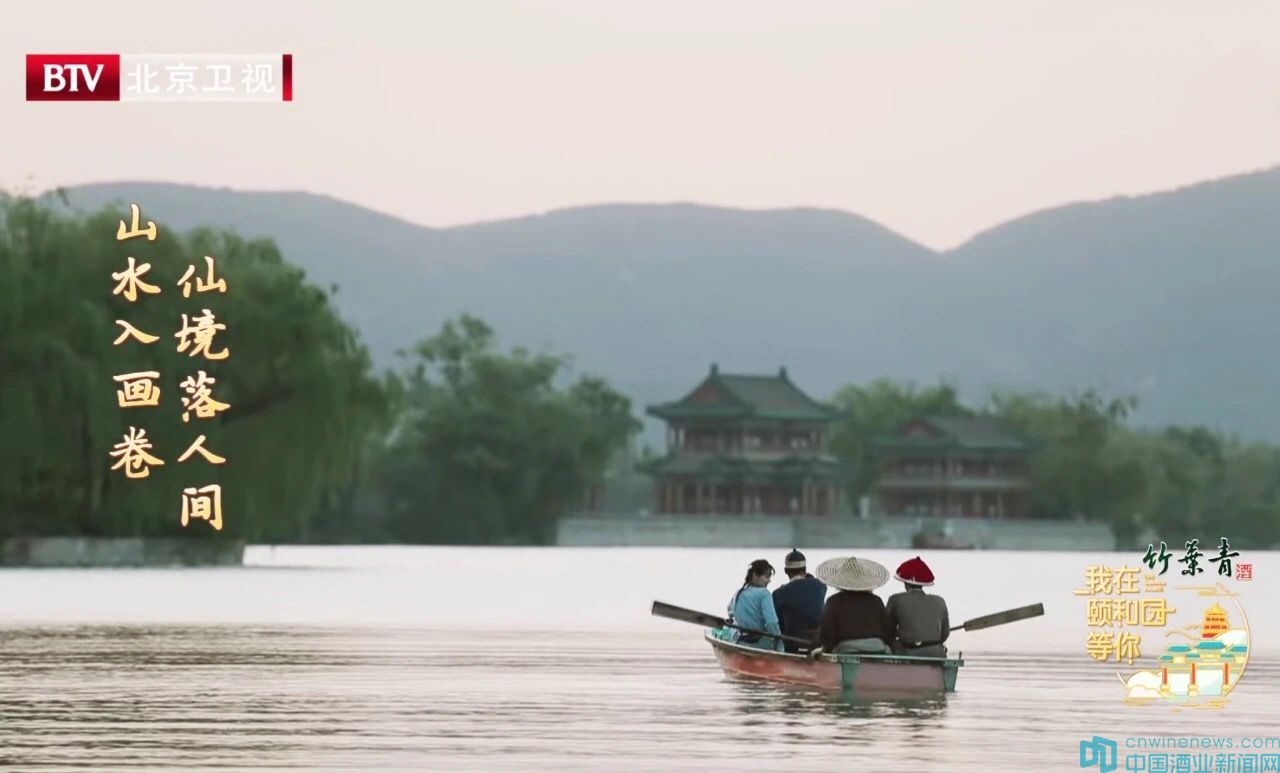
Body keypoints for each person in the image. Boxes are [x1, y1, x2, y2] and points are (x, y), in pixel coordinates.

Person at [812, 556, 893, 655]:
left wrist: (826, 647)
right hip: (877, 648)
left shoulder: (833, 601)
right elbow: (888, 629)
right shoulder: (876, 600)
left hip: (847, 650)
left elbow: (827, 632)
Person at [886, 556, 950, 657]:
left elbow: (887, 631)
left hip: (907, 653)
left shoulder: (895, 599)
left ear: (905, 583)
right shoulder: (940, 601)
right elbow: (945, 634)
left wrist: (900, 634)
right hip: (936, 654)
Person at [771, 548, 826, 652]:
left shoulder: (778, 594)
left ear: (786, 571)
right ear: (805, 569)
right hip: (817, 641)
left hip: (792, 644)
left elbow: (778, 623)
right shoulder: (820, 585)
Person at [727, 558, 784, 651]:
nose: (769, 581)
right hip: (761, 644)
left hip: (741, 642)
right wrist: (778, 639)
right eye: (767, 577)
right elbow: (771, 623)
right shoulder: (764, 594)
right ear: (755, 575)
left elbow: (731, 613)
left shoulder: (739, 593)